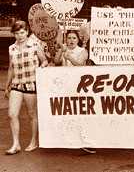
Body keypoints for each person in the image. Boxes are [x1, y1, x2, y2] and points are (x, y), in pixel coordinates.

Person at [4, 20, 48, 155]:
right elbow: (11, 68)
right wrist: (7, 86)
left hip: (31, 83)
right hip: (17, 84)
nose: (20, 36)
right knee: (12, 114)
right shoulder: (12, 48)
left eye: (22, 32)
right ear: (14, 34)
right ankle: (16, 144)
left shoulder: (35, 45)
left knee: (31, 114)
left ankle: (34, 141)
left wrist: (43, 66)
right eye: (16, 33)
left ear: (27, 32)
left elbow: (44, 60)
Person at [54, 30, 95, 154]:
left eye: (74, 38)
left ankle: (84, 140)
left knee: (80, 113)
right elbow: (56, 62)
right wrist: (61, 51)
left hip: (79, 85)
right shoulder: (64, 49)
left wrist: (70, 57)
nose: (71, 40)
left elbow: (81, 64)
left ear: (78, 40)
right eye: (69, 38)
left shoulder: (83, 51)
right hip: (65, 85)